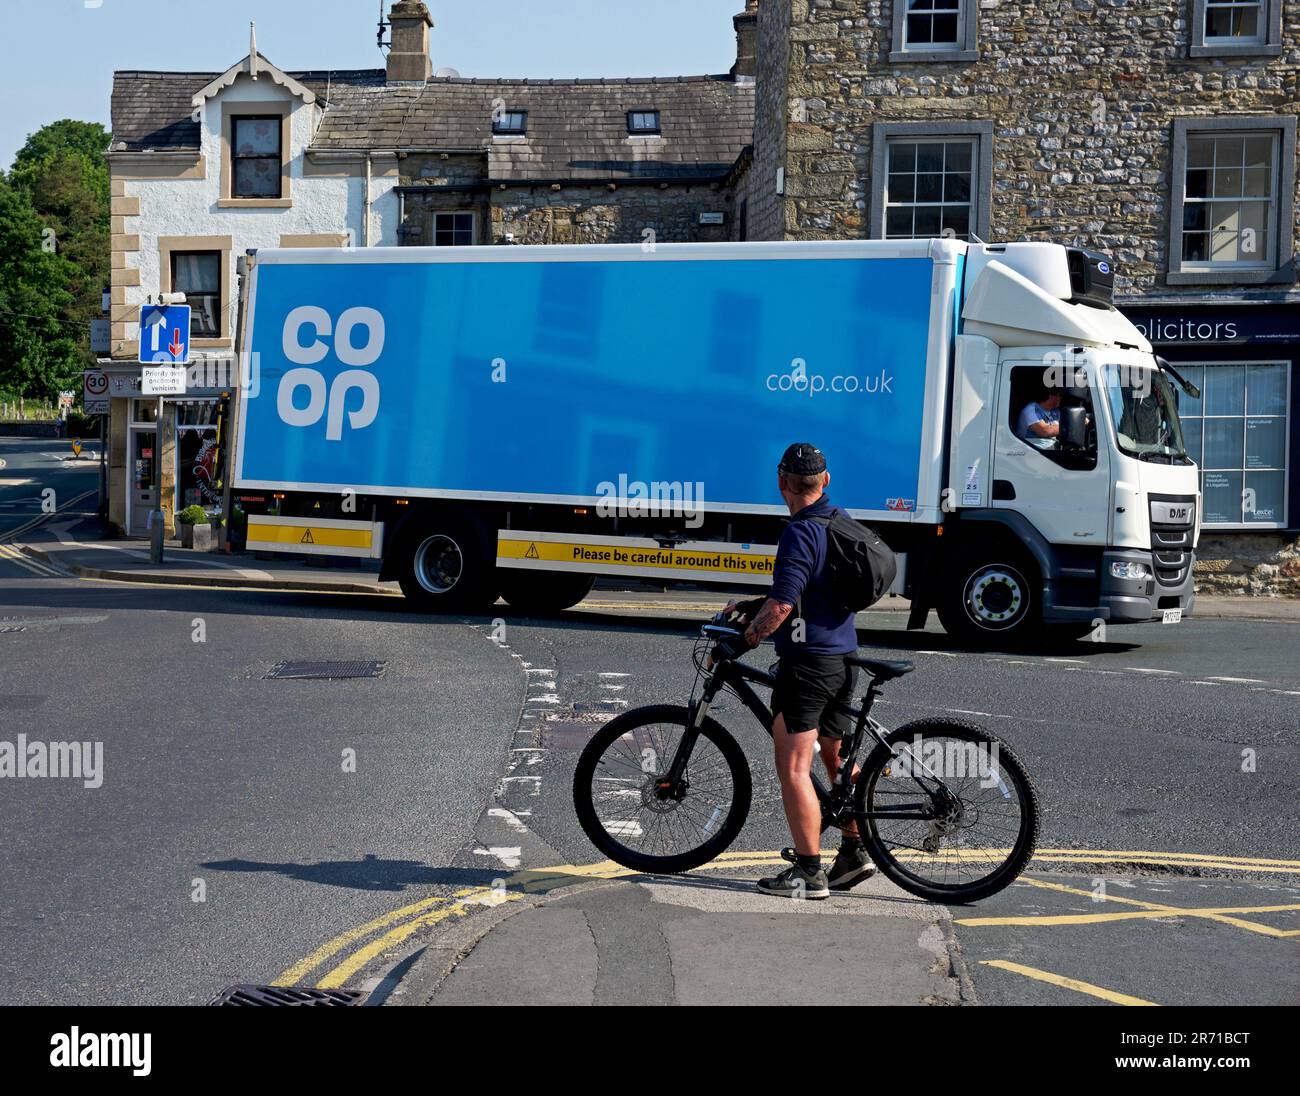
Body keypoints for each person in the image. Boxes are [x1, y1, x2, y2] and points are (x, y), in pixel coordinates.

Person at [722, 443, 875, 900]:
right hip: (843, 658)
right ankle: (853, 852)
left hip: (808, 666)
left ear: (782, 482)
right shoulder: (836, 520)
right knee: (835, 757)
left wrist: (743, 639)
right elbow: (813, 590)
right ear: (825, 481)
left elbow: (787, 601)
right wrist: (754, 607)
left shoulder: (800, 532)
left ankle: (809, 873)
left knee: (793, 766)